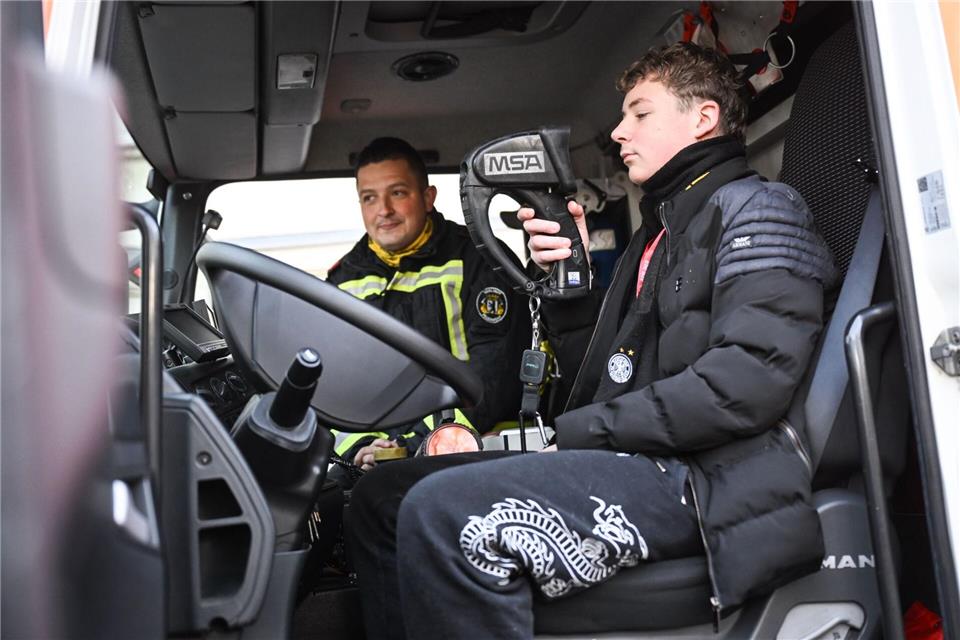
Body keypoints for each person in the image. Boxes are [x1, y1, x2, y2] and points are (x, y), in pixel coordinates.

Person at [345, 41, 839, 639]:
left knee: (443, 514)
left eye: (640, 113)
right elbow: (609, 381)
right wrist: (570, 293)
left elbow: (744, 385)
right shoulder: (660, 230)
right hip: (645, 457)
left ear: (702, 118)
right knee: (381, 497)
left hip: (707, 479)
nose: (618, 131)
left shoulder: (760, 211)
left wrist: (573, 437)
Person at [326, 137, 529, 471]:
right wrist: (359, 447)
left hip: (470, 455)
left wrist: (416, 444)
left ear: (428, 197)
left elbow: (495, 378)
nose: (384, 210)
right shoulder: (341, 282)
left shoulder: (480, 261)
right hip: (376, 463)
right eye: (369, 198)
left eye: (398, 192)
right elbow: (332, 388)